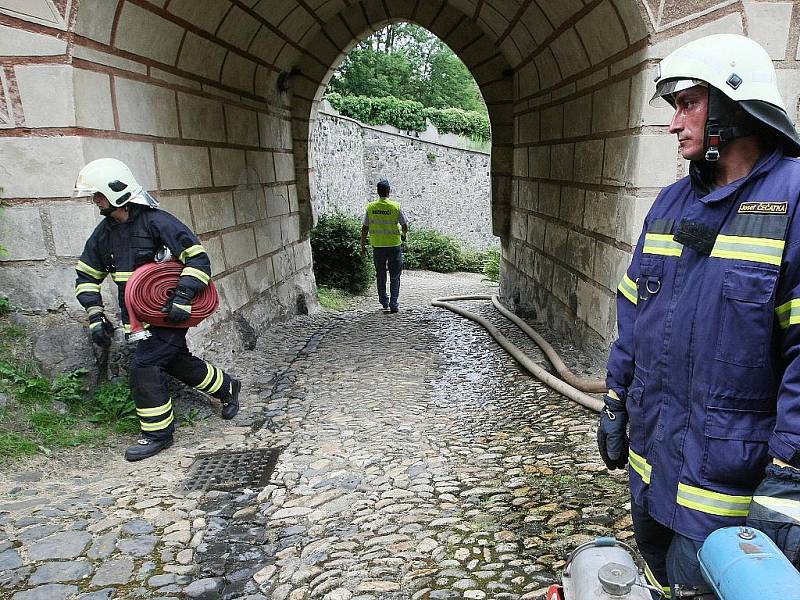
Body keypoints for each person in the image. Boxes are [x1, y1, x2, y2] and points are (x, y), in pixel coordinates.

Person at [598, 34, 800, 597]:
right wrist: (615, 399)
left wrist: (789, 476)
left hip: (729, 493)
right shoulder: (668, 205)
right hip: (655, 468)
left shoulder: (794, 201)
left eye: (688, 103)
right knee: (662, 581)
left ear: (733, 107)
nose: (674, 122)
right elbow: (633, 315)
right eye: (674, 106)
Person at [73, 158, 241, 462]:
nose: (95, 201)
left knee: (144, 367)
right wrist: (95, 315)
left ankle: (157, 433)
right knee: (176, 361)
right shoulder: (103, 234)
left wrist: (182, 296)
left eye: (97, 195)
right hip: (135, 318)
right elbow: (86, 276)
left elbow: (198, 258)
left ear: (116, 193)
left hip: (168, 313)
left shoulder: (158, 222)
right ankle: (227, 386)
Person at [360, 179, 409, 313]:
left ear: (377, 191)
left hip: (378, 246)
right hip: (394, 245)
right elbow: (405, 225)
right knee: (395, 275)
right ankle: (394, 302)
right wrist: (404, 235)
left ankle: (383, 301)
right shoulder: (395, 206)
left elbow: (364, 228)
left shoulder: (371, 207)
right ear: (389, 191)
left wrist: (362, 245)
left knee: (380, 274)